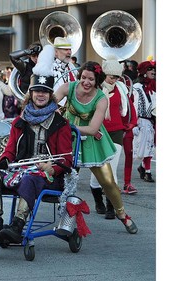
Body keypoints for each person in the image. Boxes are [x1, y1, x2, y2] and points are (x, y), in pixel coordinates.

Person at [0, 45, 73, 244]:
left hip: (47, 177)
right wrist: (4, 160)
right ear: (30, 93)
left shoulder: (61, 124)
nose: (40, 95)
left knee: (30, 179)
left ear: (50, 95)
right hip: (20, 172)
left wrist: (51, 167)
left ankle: (17, 226)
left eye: (45, 92)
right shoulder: (19, 121)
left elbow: (66, 159)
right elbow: (10, 149)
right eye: (37, 91)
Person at [54, 60, 138, 234]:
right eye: (84, 77)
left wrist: (66, 127)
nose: (86, 82)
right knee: (65, 180)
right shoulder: (67, 87)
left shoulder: (101, 98)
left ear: (97, 80)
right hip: (68, 139)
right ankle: (65, 219)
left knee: (107, 181)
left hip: (92, 139)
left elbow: (92, 129)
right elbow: (47, 104)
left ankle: (123, 215)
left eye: (91, 79)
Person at [88, 55, 133, 220]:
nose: (114, 79)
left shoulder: (122, 89)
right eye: (111, 76)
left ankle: (110, 205)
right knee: (97, 172)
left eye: (116, 77)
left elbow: (128, 109)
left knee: (111, 170)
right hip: (98, 132)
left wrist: (130, 125)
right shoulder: (95, 90)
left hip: (116, 132)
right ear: (104, 74)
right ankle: (98, 200)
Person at [132, 59, 156, 182]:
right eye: (150, 69)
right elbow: (135, 105)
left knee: (150, 146)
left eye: (154, 69)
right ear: (144, 72)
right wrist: (134, 123)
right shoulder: (137, 87)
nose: (153, 71)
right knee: (142, 147)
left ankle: (147, 170)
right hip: (141, 121)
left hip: (151, 121)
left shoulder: (153, 87)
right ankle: (144, 168)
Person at [52, 37, 79, 106]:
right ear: (56, 52)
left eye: (70, 49)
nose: (69, 52)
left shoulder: (72, 67)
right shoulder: (48, 68)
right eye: (65, 49)